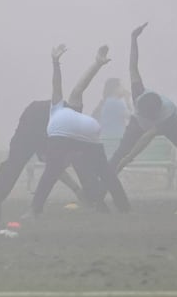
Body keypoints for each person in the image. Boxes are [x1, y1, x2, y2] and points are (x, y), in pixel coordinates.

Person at [107, 25, 177, 206]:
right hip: (138, 123)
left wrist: (129, 159)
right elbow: (133, 65)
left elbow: (145, 140)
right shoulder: (139, 93)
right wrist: (133, 39)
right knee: (120, 151)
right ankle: (100, 191)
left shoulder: (166, 115)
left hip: (172, 126)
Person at [0, 46, 112, 204]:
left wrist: (97, 64)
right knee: (16, 162)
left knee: (74, 160)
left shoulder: (75, 131)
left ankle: (93, 197)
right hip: (33, 120)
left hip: (52, 130)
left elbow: (56, 166)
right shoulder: (64, 113)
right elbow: (73, 87)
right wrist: (57, 63)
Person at [31, 46, 131, 216]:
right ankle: (123, 208)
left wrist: (55, 63)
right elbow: (80, 86)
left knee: (51, 171)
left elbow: (57, 84)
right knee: (105, 171)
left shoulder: (56, 113)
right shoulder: (73, 107)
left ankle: (34, 210)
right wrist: (97, 64)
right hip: (90, 129)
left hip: (62, 131)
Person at [92, 79, 131, 143]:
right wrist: (127, 100)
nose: (124, 89)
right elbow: (131, 117)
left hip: (106, 137)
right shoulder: (116, 103)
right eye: (121, 86)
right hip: (115, 138)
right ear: (115, 89)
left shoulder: (107, 101)